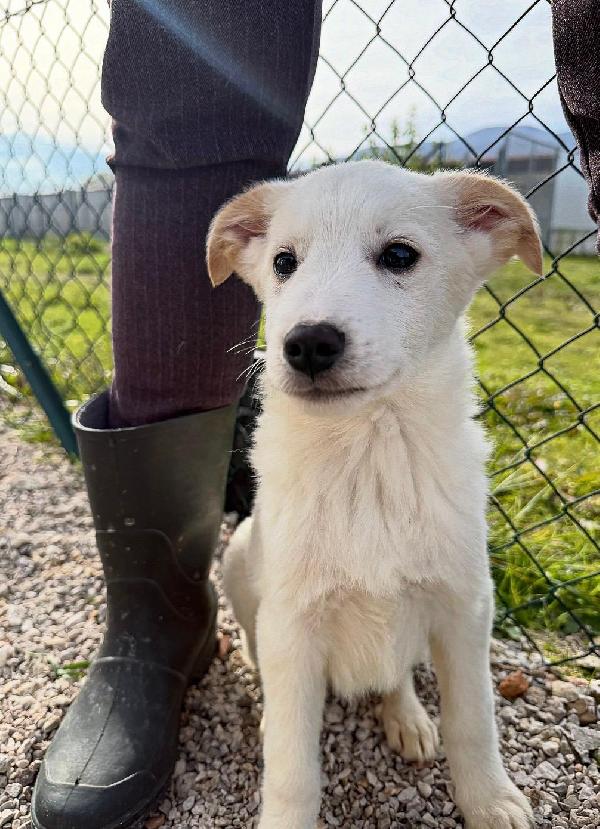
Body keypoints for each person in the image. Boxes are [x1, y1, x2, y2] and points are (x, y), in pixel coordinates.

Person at [31, 2, 598, 828]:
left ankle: (406, 701)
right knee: (263, 583)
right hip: (298, 616)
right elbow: (291, 628)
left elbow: (460, 615)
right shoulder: (287, 426)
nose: (312, 323)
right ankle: (189, 660)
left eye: (396, 256)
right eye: (289, 261)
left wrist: (480, 774)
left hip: (409, 622)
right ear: (251, 254)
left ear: (490, 235)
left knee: (445, 601)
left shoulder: (451, 462)